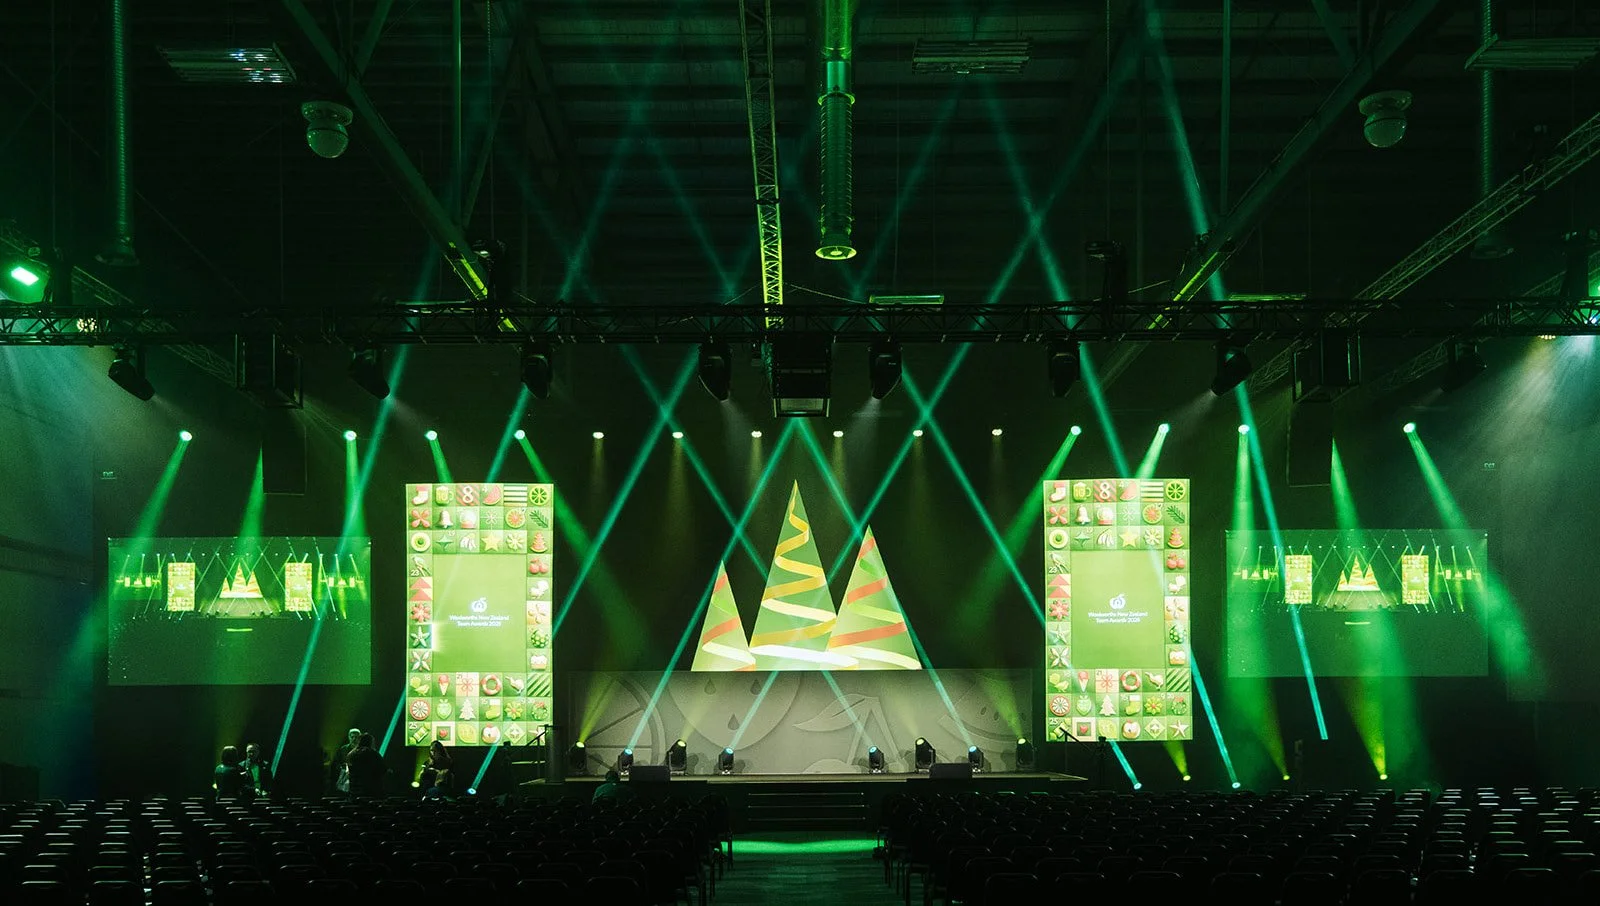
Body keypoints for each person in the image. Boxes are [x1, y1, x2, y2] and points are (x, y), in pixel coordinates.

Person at [346, 733, 385, 797]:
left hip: (354, 791)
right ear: (370, 742)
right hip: (371, 791)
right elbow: (383, 769)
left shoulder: (351, 754)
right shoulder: (372, 753)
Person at [330, 727, 361, 794]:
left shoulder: (363, 750)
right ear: (349, 737)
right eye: (352, 737)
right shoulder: (343, 749)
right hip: (345, 778)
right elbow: (336, 762)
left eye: (356, 737)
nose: (354, 739)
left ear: (359, 738)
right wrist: (342, 768)